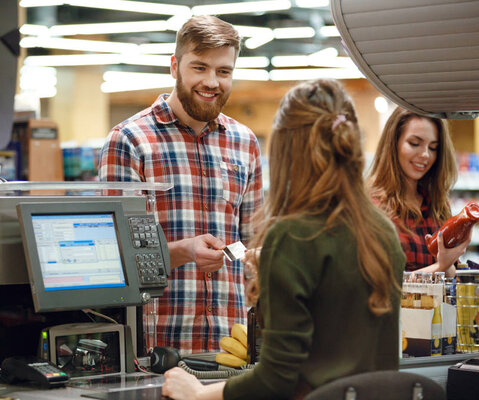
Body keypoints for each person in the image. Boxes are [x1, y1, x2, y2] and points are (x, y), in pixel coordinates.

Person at [162, 79, 405, 400]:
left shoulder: (290, 236)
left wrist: (195, 393)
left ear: (285, 149)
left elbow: (276, 380)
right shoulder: (382, 230)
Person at [99, 15, 263, 353]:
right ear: (175, 67)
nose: (212, 82)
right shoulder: (130, 140)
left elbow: (252, 243)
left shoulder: (244, 143)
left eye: (223, 71)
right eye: (199, 68)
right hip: (155, 347)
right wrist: (184, 251)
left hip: (231, 346)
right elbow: (113, 257)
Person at [368, 106, 469, 277]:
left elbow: (451, 274)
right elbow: (380, 285)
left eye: (433, 147)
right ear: (393, 144)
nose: (425, 155)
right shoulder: (372, 207)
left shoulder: (437, 204)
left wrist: (452, 261)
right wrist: (440, 267)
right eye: (414, 143)